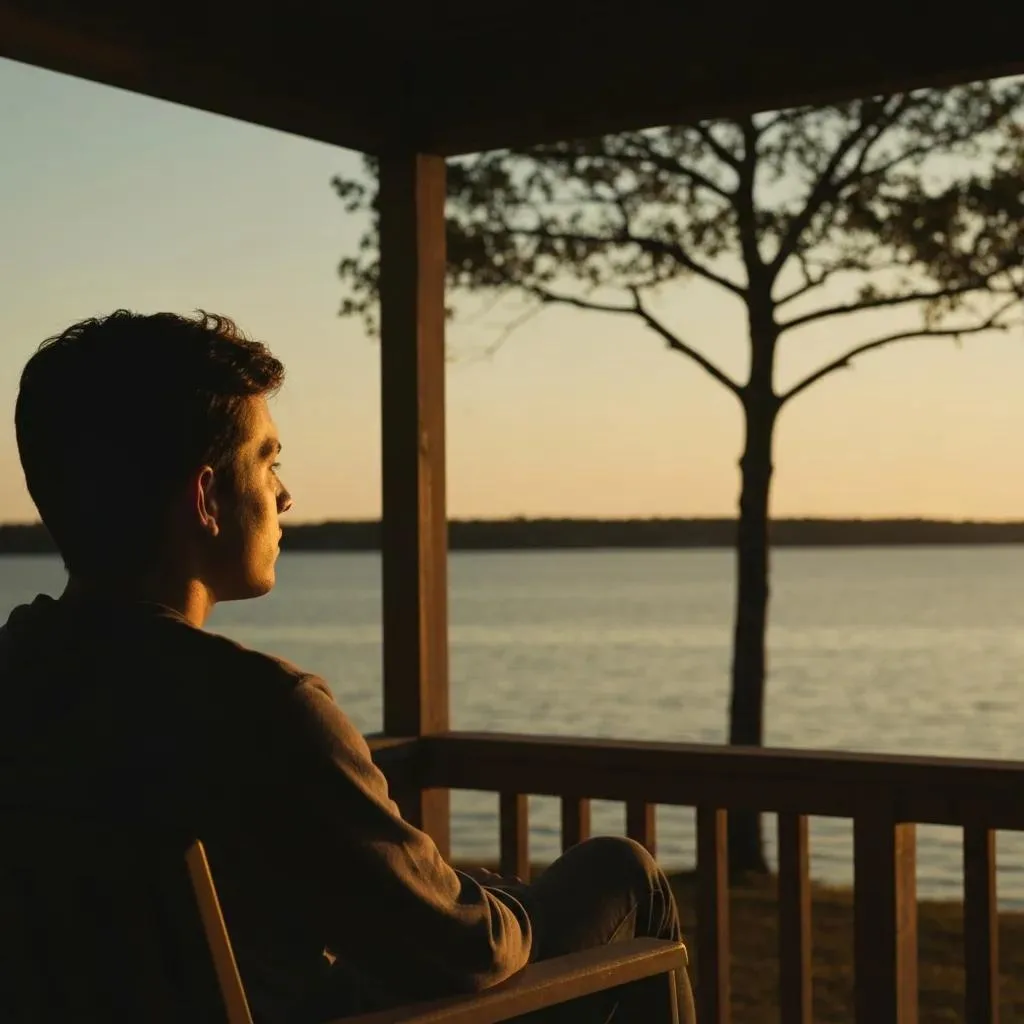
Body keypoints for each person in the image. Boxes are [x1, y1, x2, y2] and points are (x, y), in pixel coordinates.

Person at [0, 310, 696, 1023]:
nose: (285, 494)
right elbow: (464, 949)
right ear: (207, 499)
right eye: (268, 460)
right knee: (621, 875)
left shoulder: (18, 672)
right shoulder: (262, 712)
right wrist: (506, 913)